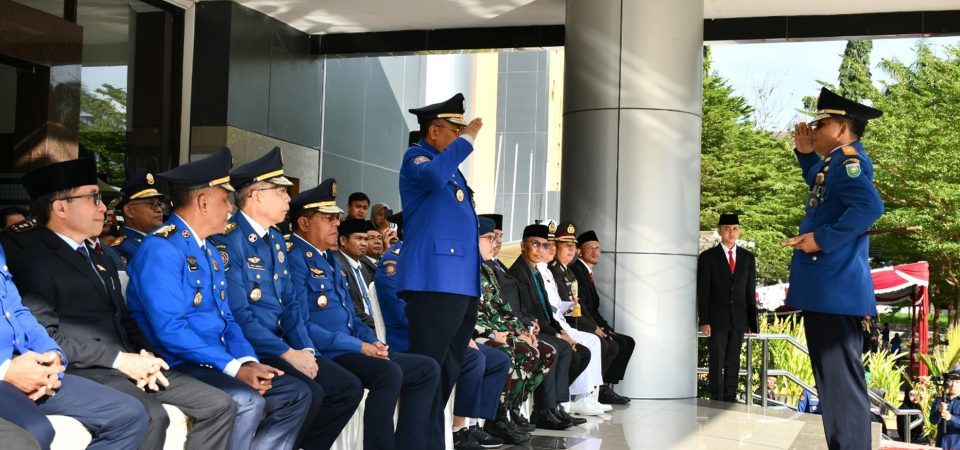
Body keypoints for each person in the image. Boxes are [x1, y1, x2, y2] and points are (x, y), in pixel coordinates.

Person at [10, 158, 238, 450]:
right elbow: (47, 337)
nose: (104, 208)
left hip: (127, 365)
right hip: (87, 370)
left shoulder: (100, 257)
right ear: (60, 207)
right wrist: (120, 361)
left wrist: (146, 355)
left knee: (219, 404)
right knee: (150, 416)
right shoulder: (35, 259)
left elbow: (124, 318)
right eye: (93, 198)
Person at [126, 148, 312, 450]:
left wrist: (249, 361)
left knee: (296, 393)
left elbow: (227, 320)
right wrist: (232, 367)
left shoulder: (210, 252)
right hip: (177, 364)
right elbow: (170, 330)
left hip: (216, 361)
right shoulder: (161, 249)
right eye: (224, 199)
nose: (230, 207)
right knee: (246, 400)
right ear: (202, 202)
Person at [208, 148, 363, 450]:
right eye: (281, 192)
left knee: (347, 387)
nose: (289, 200)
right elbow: (239, 314)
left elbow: (292, 305)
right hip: (252, 347)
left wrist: (304, 348)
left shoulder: (277, 240)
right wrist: (288, 354)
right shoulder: (229, 238)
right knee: (312, 392)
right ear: (256, 196)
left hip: (282, 345)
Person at [288, 179, 441, 450]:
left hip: (354, 347)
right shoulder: (294, 259)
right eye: (328, 219)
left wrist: (373, 343)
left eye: (337, 218)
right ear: (304, 223)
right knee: (388, 374)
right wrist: (358, 345)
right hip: (329, 351)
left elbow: (352, 314)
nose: (337, 224)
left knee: (426, 368)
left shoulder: (328, 260)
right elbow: (302, 323)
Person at [785, 87, 885, 450]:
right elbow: (823, 188)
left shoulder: (849, 162)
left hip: (836, 293)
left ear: (842, 128)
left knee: (841, 391)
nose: (815, 129)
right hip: (830, 293)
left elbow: (870, 207)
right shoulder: (836, 162)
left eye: (821, 123)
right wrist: (806, 155)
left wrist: (822, 239)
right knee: (835, 389)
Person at [398, 92, 484, 448]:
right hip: (433, 281)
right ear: (435, 131)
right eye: (455, 129)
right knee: (428, 367)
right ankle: (414, 442)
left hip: (460, 283)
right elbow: (433, 178)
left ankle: (432, 440)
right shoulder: (417, 158)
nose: (461, 134)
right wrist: (467, 141)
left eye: (462, 130)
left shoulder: (452, 170)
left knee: (448, 367)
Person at [1, 244, 149, 450]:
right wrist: (5, 370)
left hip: (26, 361)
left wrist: (51, 353)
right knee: (33, 432)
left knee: (129, 414)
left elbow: (17, 311)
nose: (102, 209)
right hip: (6, 372)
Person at [476, 216, 556, 437]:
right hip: (479, 333)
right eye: (490, 239)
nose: (495, 244)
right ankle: (496, 416)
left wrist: (519, 330)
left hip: (500, 329)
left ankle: (512, 408)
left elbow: (503, 308)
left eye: (495, 238)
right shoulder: (465, 271)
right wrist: (494, 333)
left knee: (546, 351)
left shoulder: (488, 271)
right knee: (517, 351)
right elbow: (472, 313)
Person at [509, 224, 591, 430]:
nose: (540, 249)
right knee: (560, 348)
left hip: (543, 326)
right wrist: (556, 333)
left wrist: (561, 331)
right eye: (535, 244)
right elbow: (530, 312)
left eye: (545, 246)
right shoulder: (519, 272)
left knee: (580, 352)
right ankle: (544, 410)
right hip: (530, 328)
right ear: (523, 245)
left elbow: (546, 309)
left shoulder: (536, 272)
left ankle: (556, 406)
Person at [540, 223, 608, 416]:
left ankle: (588, 396)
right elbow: (559, 306)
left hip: (565, 321)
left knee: (595, 341)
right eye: (564, 245)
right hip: (560, 324)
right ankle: (579, 397)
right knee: (591, 343)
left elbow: (573, 305)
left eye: (572, 245)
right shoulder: (553, 269)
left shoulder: (567, 272)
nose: (570, 249)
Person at [696, 213, 758, 403]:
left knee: (734, 359)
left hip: (739, 318)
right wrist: (704, 320)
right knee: (717, 359)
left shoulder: (748, 258)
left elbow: (750, 291)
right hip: (717, 317)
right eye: (727, 228)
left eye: (735, 228)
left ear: (739, 231)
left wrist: (751, 322)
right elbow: (703, 290)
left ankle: (730, 397)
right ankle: (716, 397)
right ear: (719, 231)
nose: (731, 232)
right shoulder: (708, 257)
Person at [569, 230, 636, 402]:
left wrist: (606, 327)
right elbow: (581, 307)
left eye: (597, 248)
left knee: (627, 342)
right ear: (579, 251)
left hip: (591, 322)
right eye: (589, 248)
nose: (594, 251)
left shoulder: (587, 272)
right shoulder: (576, 270)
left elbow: (593, 309)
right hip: (579, 324)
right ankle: (598, 390)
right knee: (613, 344)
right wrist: (597, 328)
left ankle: (604, 386)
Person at [113, 169, 167, 265]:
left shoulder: (160, 241)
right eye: (151, 204)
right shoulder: (123, 249)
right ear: (129, 211)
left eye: (159, 204)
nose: (159, 209)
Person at [333, 219, 377, 331]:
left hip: (374, 325)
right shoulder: (335, 264)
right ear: (343, 240)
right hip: (357, 327)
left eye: (366, 239)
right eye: (358, 238)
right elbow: (351, 307)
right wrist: (378, 325)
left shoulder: (365, 265)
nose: (363, 243)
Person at [374, 212, 408, 351]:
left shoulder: (418, 256)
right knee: (474, 358)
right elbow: (402, 314)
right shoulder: (393, 262)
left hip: (428, 334)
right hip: (407, 340)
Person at [932, 371, 960, 449]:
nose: (953, 385)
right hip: (940, 445)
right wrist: (939, 411)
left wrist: (951, 418)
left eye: (957, 382)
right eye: (951, 381)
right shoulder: (939, 400)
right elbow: (932, 420)